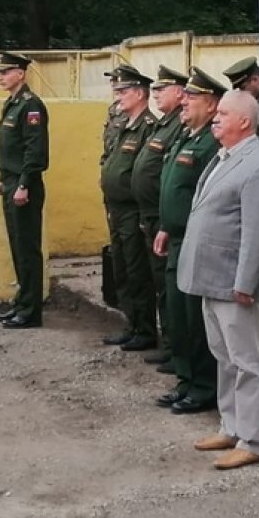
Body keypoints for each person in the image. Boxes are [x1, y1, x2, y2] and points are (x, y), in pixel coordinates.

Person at [177, 89, 259, 469]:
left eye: (223, 113)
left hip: (234, 283)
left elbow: (257, 234)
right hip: (211, 277)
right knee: (224, 357)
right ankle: (231, 425)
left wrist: (245, 283)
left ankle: (253, 440)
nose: (216, 118)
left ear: (244, 122)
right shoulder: (225, 157)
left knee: (247, 361)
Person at [152, 67, 226, 414]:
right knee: (177, 314)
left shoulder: (212, 142)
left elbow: (207, 196)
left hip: (196, 240)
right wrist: (166, 226)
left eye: (191, 98)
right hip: (176, 237)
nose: (184, 101)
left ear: (211, 104)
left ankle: (204, 385)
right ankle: (185, 378)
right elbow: (174, 188)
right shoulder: (187, 136)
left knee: (195, 318)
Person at [133, 66, 189, 368]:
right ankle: (169, 342)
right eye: (153, 90)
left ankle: (173, 345)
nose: (154, 95)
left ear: (179, 93)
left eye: (160, 90)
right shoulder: (164, 124)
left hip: (162, 215)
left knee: (169, 284)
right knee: (158, 280)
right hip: (151, 214)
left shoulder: (178, 124)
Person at [99, 65, 158, 351]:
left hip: (134, 210)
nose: (118, 96)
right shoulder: (124, 124)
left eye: (123, 91)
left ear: (139, 93)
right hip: (117, 208)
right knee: (121, 268)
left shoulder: (148, 127)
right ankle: (131, 323)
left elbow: (146, 172)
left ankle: (145, 328)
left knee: (137, 270)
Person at [0, 51, 49, 329]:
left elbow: (34, 150)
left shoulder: (31, 106)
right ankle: (22, 300)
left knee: (27, 247)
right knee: (17, 245)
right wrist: (5, 177)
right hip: (12, 181)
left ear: (21, 74)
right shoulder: (12, 104)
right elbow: (9, 147)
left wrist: (24, 183)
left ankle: (30, 309)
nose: (0, 77)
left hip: (24, 184)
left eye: (5, 72)